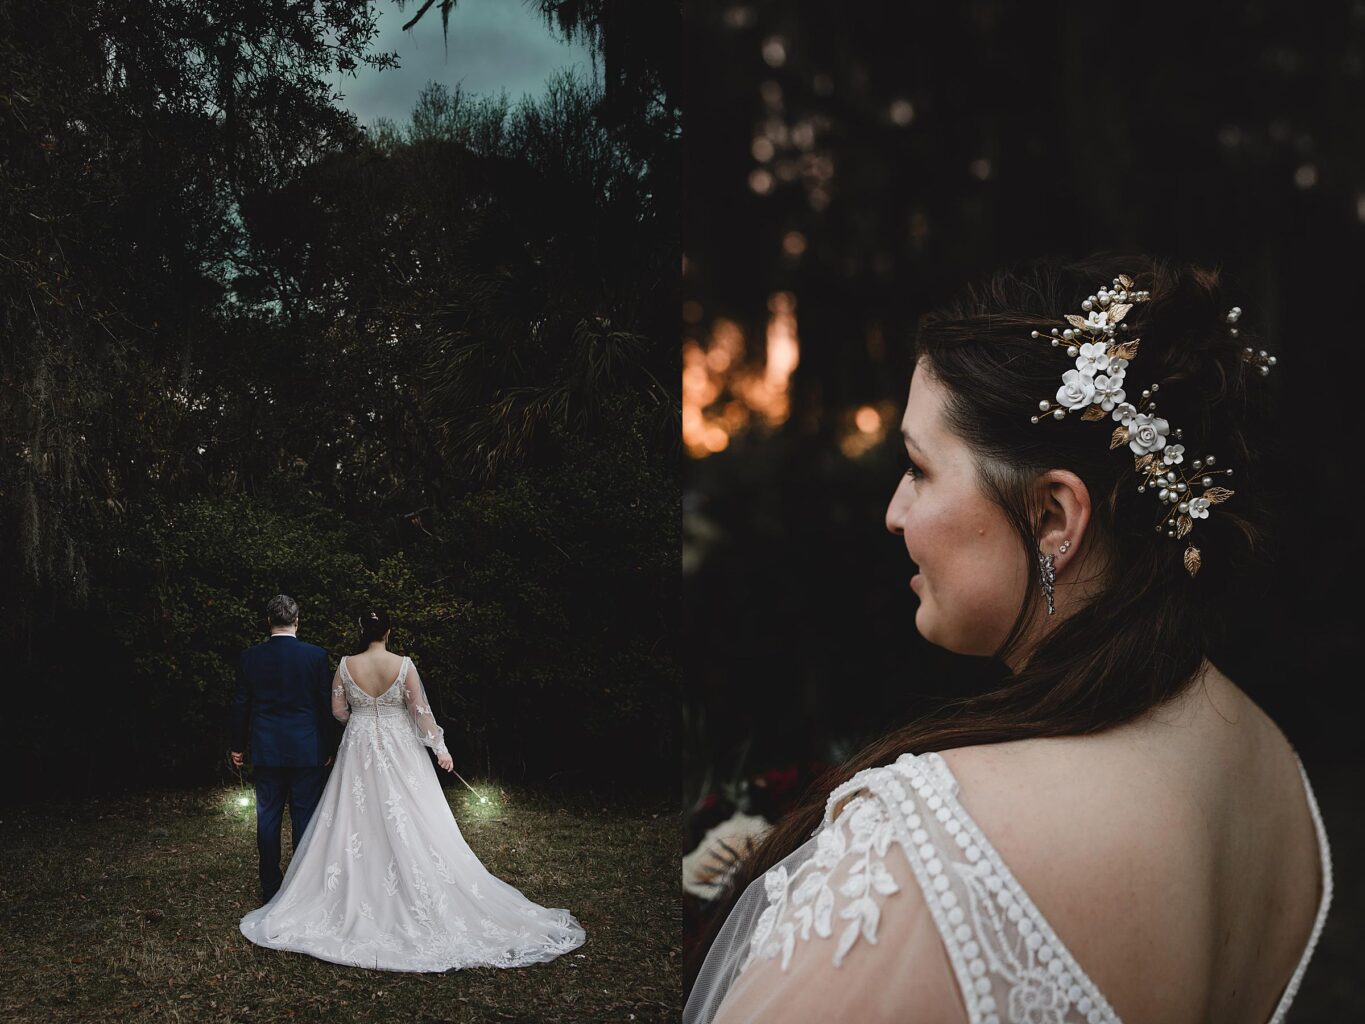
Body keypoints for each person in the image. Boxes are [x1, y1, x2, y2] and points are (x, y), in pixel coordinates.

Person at [685, 256, 1332, 1024]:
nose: (894, 513)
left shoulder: (920, 845)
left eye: (919, 470)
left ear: (1052, 517)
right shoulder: (1269, 765)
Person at [239, 607, 585, 971]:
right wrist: (440, 748)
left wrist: (361, 717)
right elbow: (420, 711)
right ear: (388, 632)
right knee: (411, 812)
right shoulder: (404, 665)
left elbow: (337, 710)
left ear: (361, 631)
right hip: (399, 746)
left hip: (359, 748)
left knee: (356, 816)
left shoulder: (344, 665)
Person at [229, 594, 337, 904]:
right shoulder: (316, 656)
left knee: (268, 817)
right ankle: (302, 886)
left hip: (266, 749)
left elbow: (241, 704)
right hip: (306, 748)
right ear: (297, 620)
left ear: (268, 621)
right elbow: (323, 705)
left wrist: (238, 745)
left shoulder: (250, 657)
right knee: (304, 817)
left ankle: (270, 887)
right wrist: (328, 745)